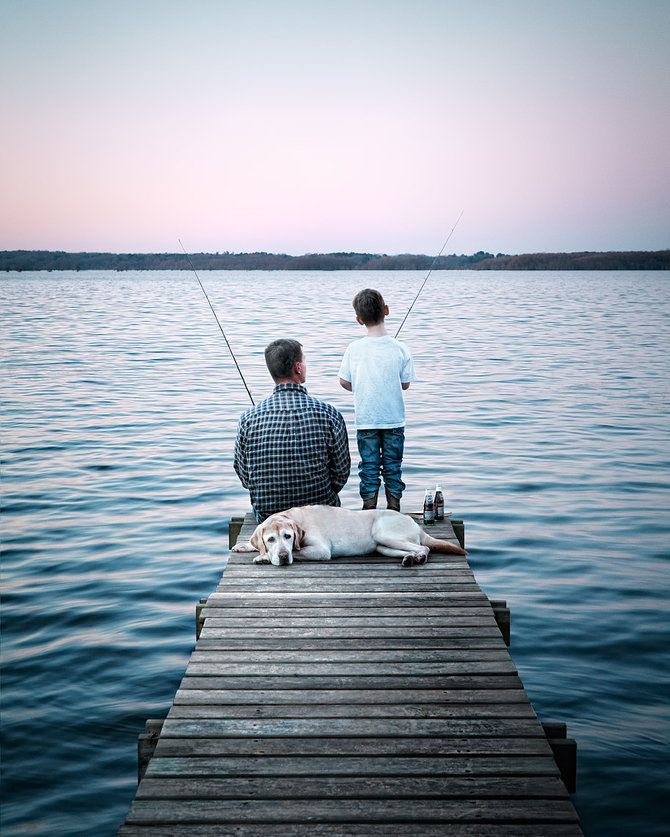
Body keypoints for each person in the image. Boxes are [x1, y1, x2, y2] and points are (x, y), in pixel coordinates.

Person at [234, 338, 351, 521]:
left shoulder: (248, 419)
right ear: (298, 367)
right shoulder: (329, 414)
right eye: (304, 361)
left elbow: (245, 477)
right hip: (320, 516)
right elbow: (341, 473)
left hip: (269, 517)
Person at [338, 288, 416, 511]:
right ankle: (394, 509)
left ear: (359, 319)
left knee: (369, 467)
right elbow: (405, 384)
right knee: (393, 466)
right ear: (386, 310)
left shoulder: (354, 349)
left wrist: (360, 386)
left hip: (366, 421)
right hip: (394, 421)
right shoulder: (401, 348)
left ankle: (368, 511)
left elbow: (344, 382)